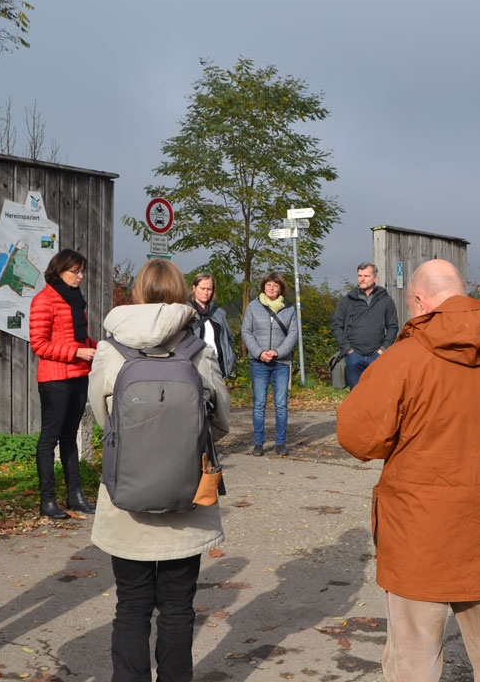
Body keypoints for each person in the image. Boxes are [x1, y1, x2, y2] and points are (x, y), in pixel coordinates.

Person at [337, 260, 480, 682]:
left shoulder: (404, 360)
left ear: (420, 301)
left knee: (414, 658)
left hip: (419, 535)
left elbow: (358, 437)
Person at [87, 258, 231, 682]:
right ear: (182, 294)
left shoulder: (109, 350)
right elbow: (219, 423)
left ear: (137, 293)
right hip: (187, 498)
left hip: (125, 498)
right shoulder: (198, 351)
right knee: (178, 606)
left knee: (130, 604)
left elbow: (102, 418)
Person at [29, 249, 98, 519]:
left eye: (82, 271)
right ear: (59, 271)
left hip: (79, 375)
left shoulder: (76, 300)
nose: (80, 276)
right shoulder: (43, 300)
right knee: (49, 439)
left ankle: (75, 497)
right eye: (75, 271)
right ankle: (47, 501)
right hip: (55, 378)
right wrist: (77, 353)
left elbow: (78, 339)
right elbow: (40, 344)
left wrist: (97, 347)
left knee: (70, 437)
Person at [241, 271, 298, 456]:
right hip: (259, 363)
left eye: (275, 285)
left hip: (281, 362)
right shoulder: (253, 307)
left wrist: (278, 352)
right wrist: (259, 353)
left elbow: (293, 334)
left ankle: (280, 443)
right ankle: (259, 443)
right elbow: (246, 332)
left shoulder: (289, 308)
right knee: (259, 404)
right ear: (263, 287)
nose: (271, 288)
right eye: (268, 285)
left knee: (281, 404)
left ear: (281, 288)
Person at [330, 262, 399, 389]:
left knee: (377, 395)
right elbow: (336, 325)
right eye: (359, 276)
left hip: (377, 356)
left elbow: (393, 326)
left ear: (375, 278)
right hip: (354, 356)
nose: (362, 279)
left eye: (366, 276)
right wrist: (348, 350)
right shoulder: (347, 300)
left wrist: (383, 349)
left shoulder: (386, 300)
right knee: (356, 397)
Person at [188, 272, 236, 378]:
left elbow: (228, 339)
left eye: (209, 289)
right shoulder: (185, 312)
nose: (206, 292)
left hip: (218, 366)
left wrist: (230, 357)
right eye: (202, 288)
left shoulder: (219, 313)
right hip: (195, 366)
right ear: (194, 288)